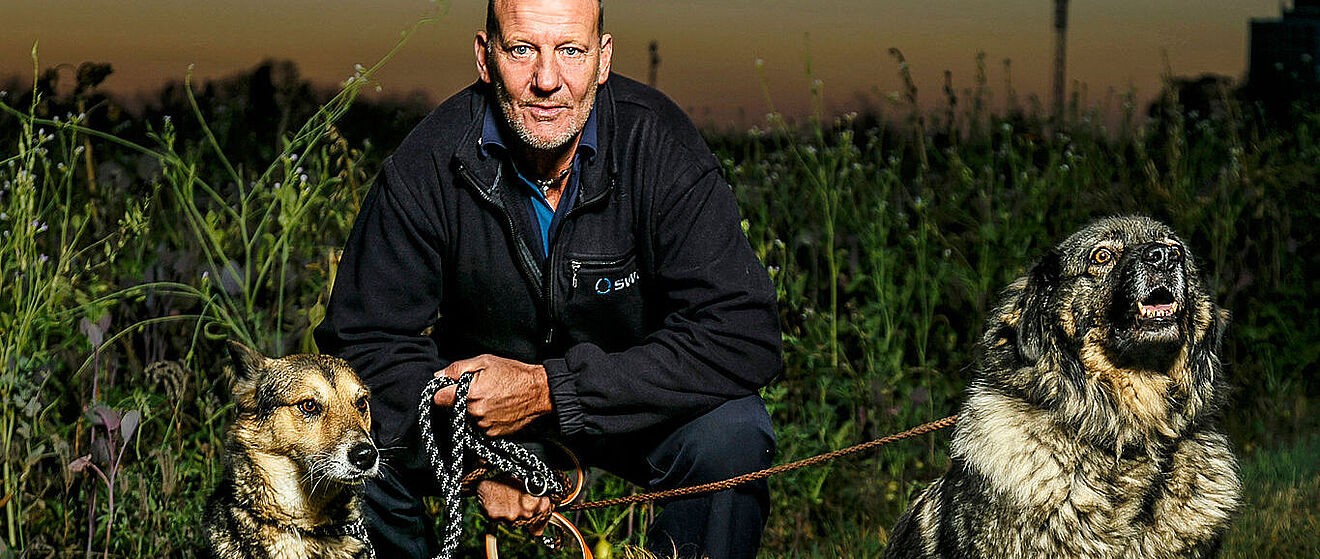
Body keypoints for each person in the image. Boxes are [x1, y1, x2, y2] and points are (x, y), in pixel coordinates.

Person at [314, 0, 782, 557]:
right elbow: (359, 345)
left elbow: (745, 332)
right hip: (480, 416)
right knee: (356, 448)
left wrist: (550, 392)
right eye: (521, 50)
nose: (547, 80)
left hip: (628, 396)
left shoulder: (658, 145)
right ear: (485, 59)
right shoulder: (429, 162)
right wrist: (476, 456)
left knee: (732, 434)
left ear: (602, 60)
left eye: (570, 51)